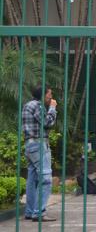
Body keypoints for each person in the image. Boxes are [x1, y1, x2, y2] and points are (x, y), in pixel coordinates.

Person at [22, 86, 58, 221]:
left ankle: (30, 211)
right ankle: (39, 212)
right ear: (43, 95)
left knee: (32, 179)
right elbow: (47, 123)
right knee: (46, 178)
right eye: (49, 94)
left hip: (30, 145)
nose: (51, 97)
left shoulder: (28, 105)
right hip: (39, 144)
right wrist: (53, 108)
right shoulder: (38, 105)